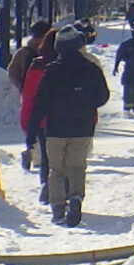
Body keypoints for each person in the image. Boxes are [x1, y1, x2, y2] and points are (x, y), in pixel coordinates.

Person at [32, 22, 109, 226]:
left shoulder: (52, 71)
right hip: (82, 127)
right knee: (77, 166)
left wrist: (32, 131)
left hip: (56, 129)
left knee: (56, 169)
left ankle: (58, 207)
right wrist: (86, 103)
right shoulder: (91, 69)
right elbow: (103, 96)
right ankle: (75, 198)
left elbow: (40, 102)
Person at [7, 19, 54, 170]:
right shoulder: (51, 50)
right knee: (46, 125)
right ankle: (44, 157)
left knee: (32, 124)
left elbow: (12, 72)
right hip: (50, 95)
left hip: (29, 94)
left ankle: (31, 149)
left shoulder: (23, 52)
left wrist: (22, 87)